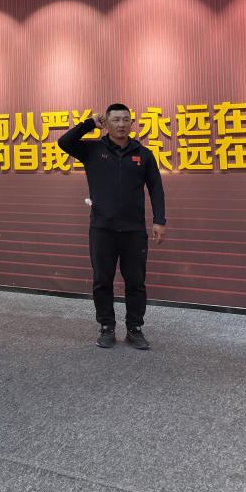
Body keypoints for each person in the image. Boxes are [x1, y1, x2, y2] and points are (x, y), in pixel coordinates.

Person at [58, 104, 166, 350]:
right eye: (115, 120)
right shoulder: (92, 150)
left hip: (133, 230)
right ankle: (106, 327)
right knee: (102, 281)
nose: (121, 124)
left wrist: (159, 220)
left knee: (136, 282)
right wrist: (89, 124)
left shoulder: (144, 154)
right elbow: (64, 142)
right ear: (106, 123)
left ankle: (134, 329)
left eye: (126, 119)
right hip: (102, 229)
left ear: (131, 123)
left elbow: (156, 188)